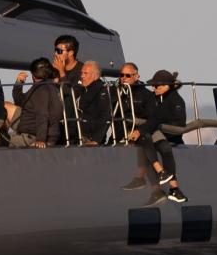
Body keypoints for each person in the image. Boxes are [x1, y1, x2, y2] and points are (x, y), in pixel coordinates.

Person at [125, 70, 188, 203]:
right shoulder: (158, 97)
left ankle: (154, 178)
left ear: (166, 86)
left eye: (156, 86)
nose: (153, 88)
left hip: (171, 137)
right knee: (147, 141)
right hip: (161, 134)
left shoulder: (173, 99)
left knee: (146, 139)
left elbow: (160, 118)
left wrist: (140, 130)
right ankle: (170, 187)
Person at [9, 59, 64, 148]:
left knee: (1, 141)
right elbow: (20, 102)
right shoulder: (47, 86)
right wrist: (19, 84)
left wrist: (40, 140)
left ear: (34, 75)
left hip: (33, 136)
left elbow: (42, 114)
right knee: (6, 105)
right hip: (32, 130)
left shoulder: (41, 90)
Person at [72, 61, 113, 145]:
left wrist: (96, 140)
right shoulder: (81, 89)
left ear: (95, 76)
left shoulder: (102, 91)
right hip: (76, 136)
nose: (82, 76)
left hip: (90, 139)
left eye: (85, 73)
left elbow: (106, 116)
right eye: (82, 73)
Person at [109, 63, 146, 144]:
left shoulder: (146, 94)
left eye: (128, 75)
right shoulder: (113, 92)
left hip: (138, 133)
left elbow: (153, 118)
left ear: (136, 76)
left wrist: (139, 131)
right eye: (121, 75)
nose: (124, 78)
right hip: (118, 133)